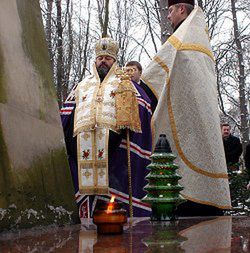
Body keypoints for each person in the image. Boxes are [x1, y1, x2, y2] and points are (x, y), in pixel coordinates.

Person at [142, 0, 231, 216]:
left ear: (182, 9)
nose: (168, 16)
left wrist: (137, 88)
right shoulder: (196, 37)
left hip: (193, 122)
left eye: (171, 10)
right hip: (199, 123)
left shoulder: (183, 41)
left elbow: (152, 74)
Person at [60, 37, 153, 220]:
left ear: (115, 61)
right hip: (82, 151)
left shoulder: (125, 84)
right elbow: (66, 115)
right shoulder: (81, 86)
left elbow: (143, 106)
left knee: (113, 208)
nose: (103, 61)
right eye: (100, 57)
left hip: (115, 153)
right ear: (95, 60)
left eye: (108, 58)